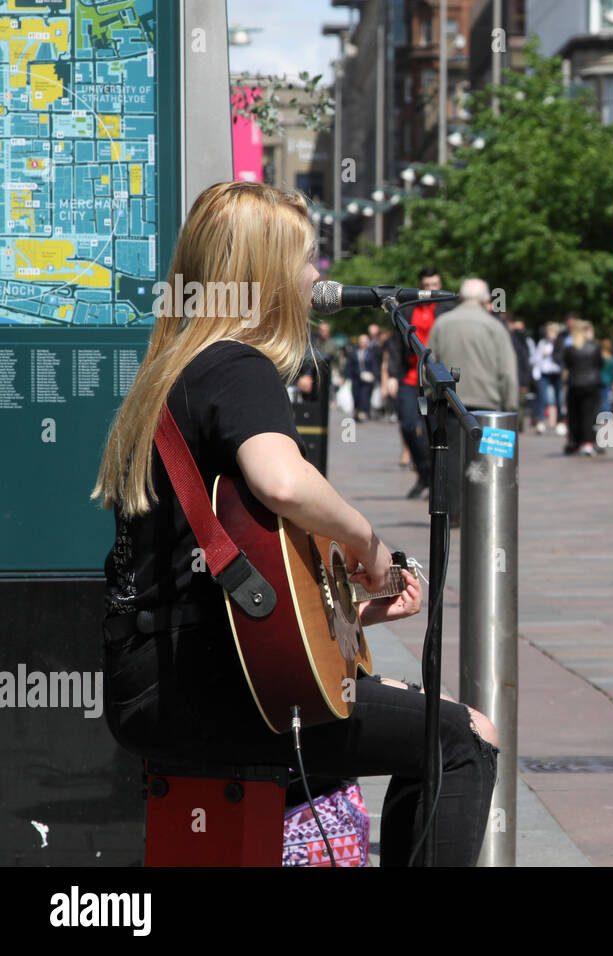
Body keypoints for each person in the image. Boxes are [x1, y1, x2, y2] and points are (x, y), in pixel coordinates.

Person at [92, 181, 497, 866]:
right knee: (462, 738)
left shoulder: (176, 369)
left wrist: (345, 616)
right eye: (306, 261)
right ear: (266, 275)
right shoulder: (237, 366)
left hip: (162, 684)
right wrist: (367, 542)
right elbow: (281, 481)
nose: (318, 277)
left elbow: (213, 580)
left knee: (419, 716)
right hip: (207, 693)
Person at [427, 278, 519, 414]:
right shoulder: (495, 327)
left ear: (461, 297)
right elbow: (507, 373)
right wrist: (510, 408)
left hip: (447, 405)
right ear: (486, 300)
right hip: (487, 406)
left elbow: (428, 365)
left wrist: (431, 396)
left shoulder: (441, 323)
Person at [392, 266, 445, 498]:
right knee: (407, 425)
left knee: (433, 431)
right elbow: (395, 344)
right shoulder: (408, 309)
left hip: (436, 380)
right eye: (426, 286)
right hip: (410, 377)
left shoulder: (447, 309)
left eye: (435, 285)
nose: (431, 289)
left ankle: (435, 479)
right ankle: (424, 472)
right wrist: (391, 376)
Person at [563, 320, 602, 456]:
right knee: (588, 415)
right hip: (591, 384)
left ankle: (574, 442)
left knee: (574, 415)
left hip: (574, 384)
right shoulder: (594, 346)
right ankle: (588, 443)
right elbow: (599, 363)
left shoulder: (570, 348)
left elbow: (567, 364)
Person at [534, 322, 564, 435]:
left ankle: (560, 422)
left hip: (556, 372)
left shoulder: (560, 344)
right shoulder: (543, 343)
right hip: (545, 373)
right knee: (542, 397)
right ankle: (541, 421)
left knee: (559, 398)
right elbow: (537, 359)